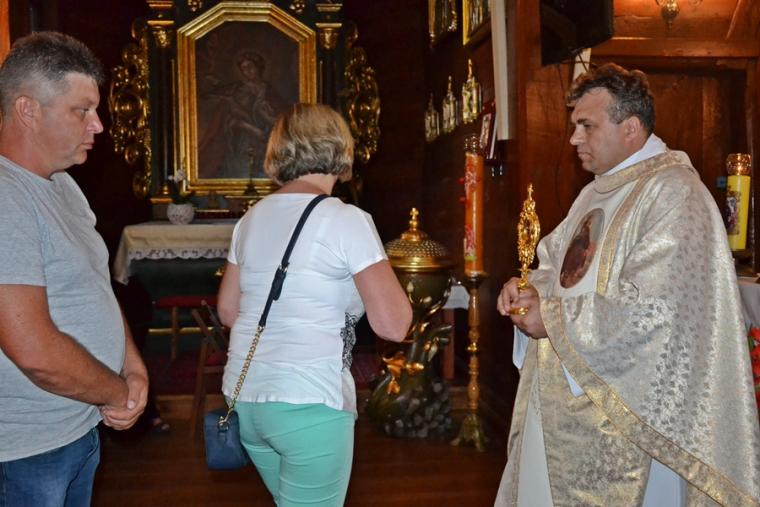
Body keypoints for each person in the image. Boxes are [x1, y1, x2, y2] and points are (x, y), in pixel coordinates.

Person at [495, 63, 760, 506]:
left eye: (587, 126)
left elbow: (657, 312)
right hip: (565, 399)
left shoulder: (675, 193)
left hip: (630, 417)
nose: (574, 138)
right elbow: (562, 270)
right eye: (575, 126)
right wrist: (531, 290)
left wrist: (553, 317)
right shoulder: (595, 191)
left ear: (631, 128)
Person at [218, 103, 412, 506]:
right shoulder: (346, 219)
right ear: (340, 147)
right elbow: (394, 325)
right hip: (309, 403)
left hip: (246, 399)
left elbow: (228, 312)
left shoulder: (250, 219)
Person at [0, 31, 148, 505]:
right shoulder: (6, 197)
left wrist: (132, 366)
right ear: (28, 110)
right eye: (81, 110)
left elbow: (94, 287)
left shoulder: (62, 184)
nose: (98, 125)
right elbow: (34, 352)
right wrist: (115, 391)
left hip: (75, 428)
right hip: (25, 450)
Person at [199, 50, 285, 180]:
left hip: (265, 139)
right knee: (241, 169)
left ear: (258, 67)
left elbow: (281, 118)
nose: (247, 71)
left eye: (250, 66)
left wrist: (265, 118)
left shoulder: (269, 91)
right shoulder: (235, 89)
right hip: (240, 140)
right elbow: (226, 116)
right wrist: (250, 128)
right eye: (243, 68)